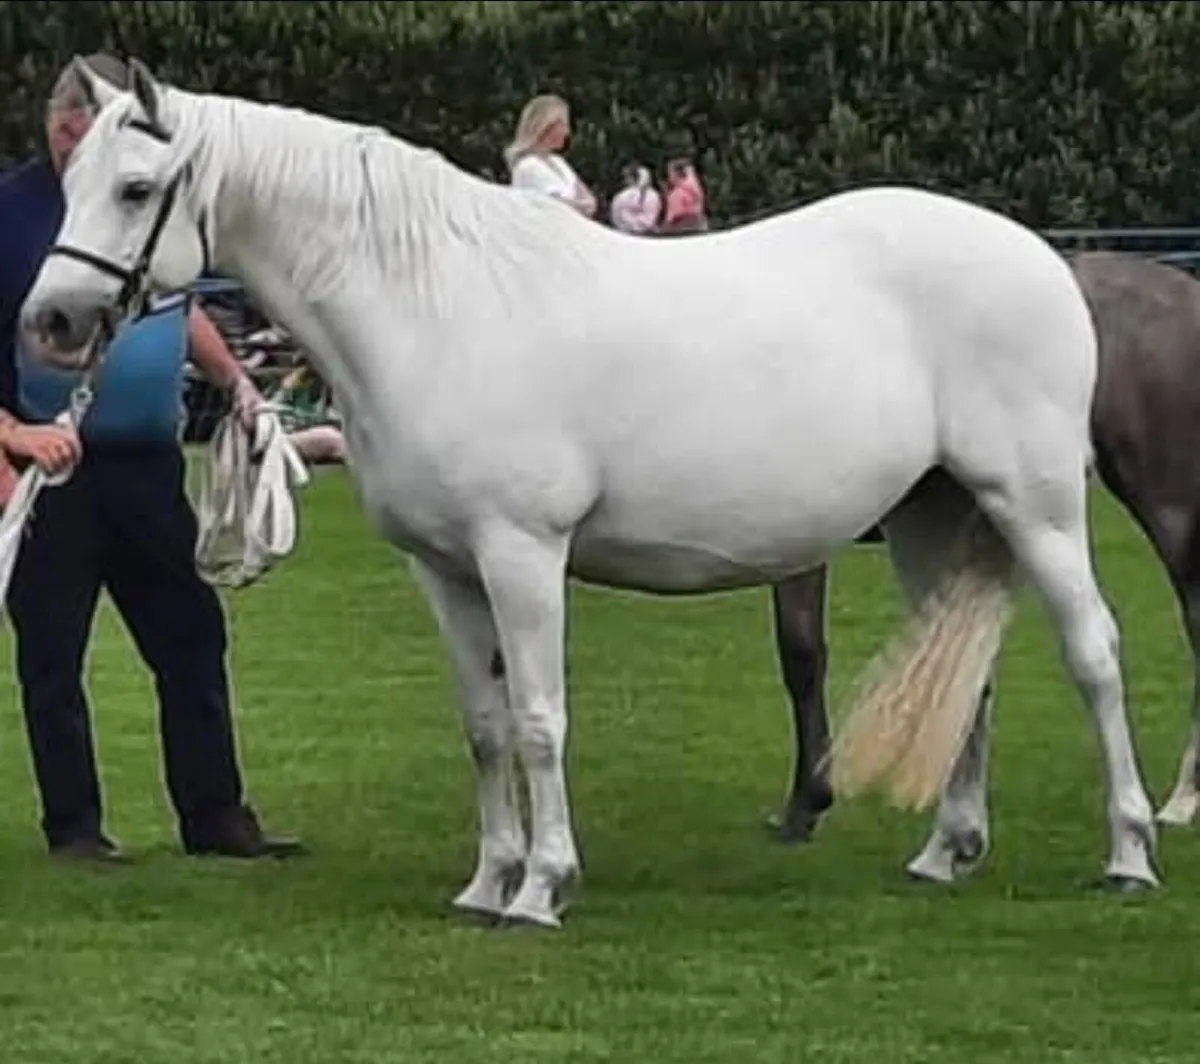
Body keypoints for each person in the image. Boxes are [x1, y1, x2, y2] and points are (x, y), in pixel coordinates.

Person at [0, 53, 304, 864]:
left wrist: (234, 379)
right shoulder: (12, 213)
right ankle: (74, 829)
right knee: (54, 657)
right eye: (81, 129)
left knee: (191, 637)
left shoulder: (140, 199)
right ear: (63, 124)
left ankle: (215, 816)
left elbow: (177, 304)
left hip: (147, 468)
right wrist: (14, 436)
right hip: (52, 473)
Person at [504, 93, 597, 218]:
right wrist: (580, 205)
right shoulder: (529, 166)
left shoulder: (558, 162)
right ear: (546, 127)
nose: (567, 132)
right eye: (563, 125)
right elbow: (553, 206)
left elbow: (587, 198)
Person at [660, 156, 709, 234]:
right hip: (698, 227)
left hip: (681, 231)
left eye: (670, 173)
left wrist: (663, 229)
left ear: (677, 174)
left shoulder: (677, 193)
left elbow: (675, 216)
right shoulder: (696, 188)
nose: (669, 176)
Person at [609, 164, 662, 234]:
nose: (625, 180)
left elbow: (617, 215)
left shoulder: (624, 195)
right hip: (646, 232)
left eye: (626, 177)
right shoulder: (654, 195)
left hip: (626, 232)